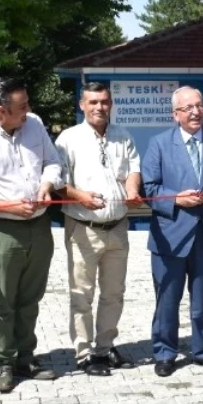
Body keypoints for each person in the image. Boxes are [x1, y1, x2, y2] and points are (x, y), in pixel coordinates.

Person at [0, 76, 65, 392]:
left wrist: (46, 186)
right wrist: (7, 205)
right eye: (22, 106)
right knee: (3, 299)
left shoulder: (35, 124)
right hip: (0, 229)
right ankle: (4, 361)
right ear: (1, 111)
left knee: (31, 296)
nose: (28, 110)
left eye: (27, 103)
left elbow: (53, 163)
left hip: (39, 226)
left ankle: (25, 357)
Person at [142, 86, 203, 377]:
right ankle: (165, 352)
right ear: (175, 115)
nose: (195, 111)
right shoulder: (159, 144)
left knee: (202, 300)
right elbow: (150, 188)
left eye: (199, 105)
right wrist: (175, 199)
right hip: (170, 236)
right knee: (167, 300)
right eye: (188, 108)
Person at [54, 81, 142, 377]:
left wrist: (132, 189)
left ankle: (105, 347)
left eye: (104, 101)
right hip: (83, 227)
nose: (99, 107)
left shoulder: (123, 136)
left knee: (114, 293)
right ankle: (83, 353)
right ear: (82, 105)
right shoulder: (68, 139)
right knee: (82, 294)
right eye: (93, 102)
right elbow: (57, 183)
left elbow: (133, 170)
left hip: (118, 227)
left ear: (111, 103)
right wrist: (80, 196)